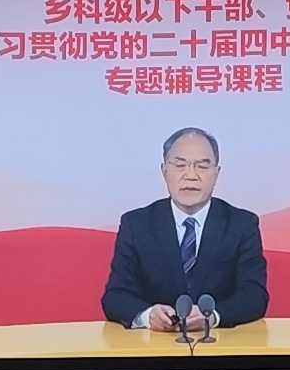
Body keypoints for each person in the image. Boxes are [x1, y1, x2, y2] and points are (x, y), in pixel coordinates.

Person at [100, 126, 268, 331]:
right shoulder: (136, 224)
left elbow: (254, 295)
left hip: (220, 345)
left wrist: (213, 316)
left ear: (216, 173)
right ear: (164, 171)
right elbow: (116, 296)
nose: (191, 175)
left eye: (202, 166)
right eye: (180, 165)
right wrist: (147, 316)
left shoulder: (241, 224)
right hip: (154, 345)